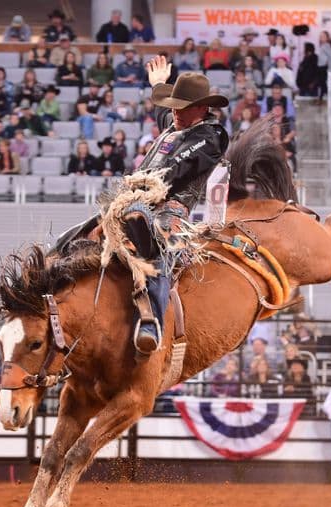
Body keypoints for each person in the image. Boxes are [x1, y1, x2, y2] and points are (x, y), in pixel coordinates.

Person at [122, 55, 229, 354]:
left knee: (157, 248)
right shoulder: (176, 123)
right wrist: (159, 85)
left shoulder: (211, 137)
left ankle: (150, 322)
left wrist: (141, 189)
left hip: (170, 211)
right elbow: (163, 113)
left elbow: (176, 169)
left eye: (182, 107)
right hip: (134, 200)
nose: (174, 113)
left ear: (202, 109)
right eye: (173, 106)